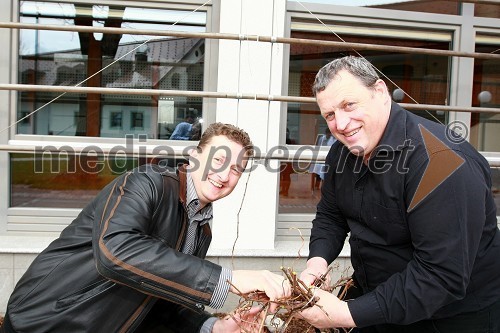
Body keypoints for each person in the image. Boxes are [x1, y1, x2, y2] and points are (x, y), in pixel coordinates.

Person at [2, 123, 291, 333]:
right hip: (45, 319)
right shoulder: (145, 183)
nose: (225, 175)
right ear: (194, 156)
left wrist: (212, 326)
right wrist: (229, 280)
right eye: (218, 160)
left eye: (237, 169)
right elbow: (115, 251)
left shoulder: (202, 229)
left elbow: (164, 299)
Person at [298, 56, 500, 332]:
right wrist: (316, 263)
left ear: (380, 92)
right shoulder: (342, 151)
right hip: (378, 303)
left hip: (450, 317)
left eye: (348, 105)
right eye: (330, 115)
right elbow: (331, 216)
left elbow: (440, 275)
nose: (341, 124)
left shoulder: (440, 161)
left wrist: (346, 313)